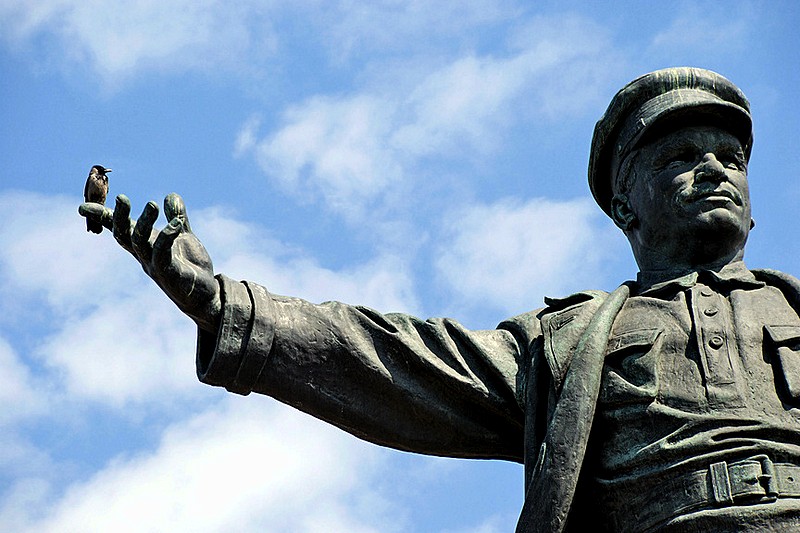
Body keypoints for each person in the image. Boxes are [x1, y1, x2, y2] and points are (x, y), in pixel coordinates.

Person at [80, 67, 800, 532]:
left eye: (729, 159)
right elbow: (399, 358)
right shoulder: (573, 340)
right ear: (625, 206)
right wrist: (228, 306)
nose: (713, 170)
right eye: (680, 158)